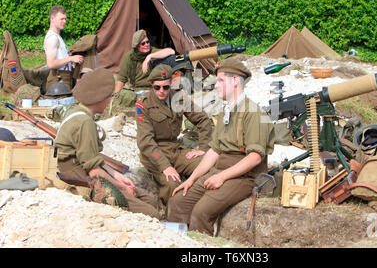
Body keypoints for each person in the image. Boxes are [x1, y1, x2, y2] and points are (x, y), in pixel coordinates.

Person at [167, 57, 275, 236]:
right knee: (178, 202)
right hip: (221, 170)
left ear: (234, 81)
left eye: (220, 80)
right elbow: (214, 151)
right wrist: (191, 179)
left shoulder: (253, 113)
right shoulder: (227, 111)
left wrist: (221, 177)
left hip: (245, 177)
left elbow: (255, 157)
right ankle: (177, 242)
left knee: (201, 212)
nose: (215, 85)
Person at [55, 68, 160, 218]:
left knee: (149, 199)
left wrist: (118, 176)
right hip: (78, 175)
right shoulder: (85, 122)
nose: (110, 100)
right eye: (108, 96)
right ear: (99, 98)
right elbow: (94, 171)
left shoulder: (77, 112)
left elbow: (95, 160)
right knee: (150, 213)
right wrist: (122, 187)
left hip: (81, 169)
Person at [136, 64, 212, 205]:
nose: (161, 91)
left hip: (176, 149)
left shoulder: (179, 97)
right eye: (157, 87)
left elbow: (202, 119)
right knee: (172, 185)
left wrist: (203, 148)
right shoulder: (143, 105)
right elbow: (145, 141)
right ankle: (170, 216)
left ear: (171, 83)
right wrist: (165, 166)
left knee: (206, 166)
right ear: (151, 84)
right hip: (155, 153)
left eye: (165, 87)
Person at [113, 29, 175, 97]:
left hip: (153, 89)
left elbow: (171, 51)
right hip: (137, 89)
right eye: (143, 43)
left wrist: (149, 56)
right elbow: (121, 79)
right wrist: (116, 94)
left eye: (147, 42)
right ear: (137, 46)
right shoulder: (129, 57)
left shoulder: (152, 52)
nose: (146, 45)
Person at [44, 5, 83, 91]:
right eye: (61, 19)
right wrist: (71, 59)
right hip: (57, 80)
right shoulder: (52, 38)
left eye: (65, 19)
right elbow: (51, 64)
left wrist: (70, 64)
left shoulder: (57, 36)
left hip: (63, 78)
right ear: (52, 18)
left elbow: (60, 58)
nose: (64, 21)